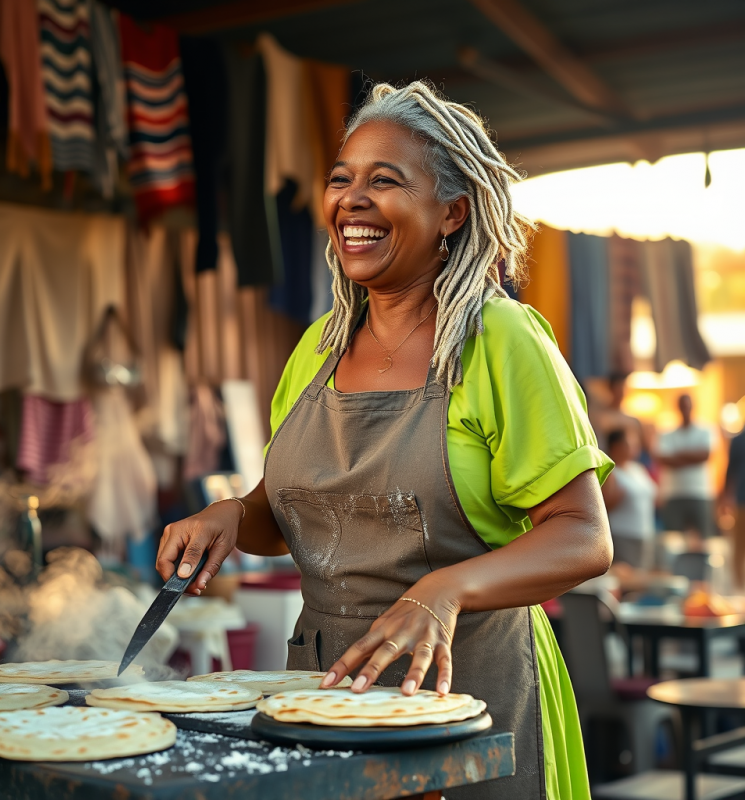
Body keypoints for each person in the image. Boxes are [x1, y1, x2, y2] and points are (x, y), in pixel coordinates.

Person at [157, 81, 613, 799]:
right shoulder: (317, 350)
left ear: (451, 214)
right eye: (342, 180)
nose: (352, 199)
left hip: (468, 702)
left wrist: (444, 590)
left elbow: (583, 537)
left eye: (385, 181)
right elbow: (289, 514)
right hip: (319, 698)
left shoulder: (501, 342)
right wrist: (230, 514)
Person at [657, 394, 715, 537]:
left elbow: (705, 456)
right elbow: (664, 459)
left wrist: (677, 454)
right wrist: (692, 456)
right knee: (673, 539)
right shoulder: (667, 434)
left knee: (704, 538)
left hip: (700, 492)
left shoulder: (705, 430)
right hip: (674, 493)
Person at [602, 429, 658, 569]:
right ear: (616, 446)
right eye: (629, 443)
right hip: (623, 534)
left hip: (644, 533)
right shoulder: (610, 472)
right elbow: (603, 506)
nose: (634, 447)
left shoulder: (638, 469)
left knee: (641, 576)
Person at [722, 430, 745, 588]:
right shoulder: (738, 440)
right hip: (741, 500)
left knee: (738, 546)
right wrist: (726, 497)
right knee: (738, 546)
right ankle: (739, 586)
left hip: (741, 499)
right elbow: (730, 471)